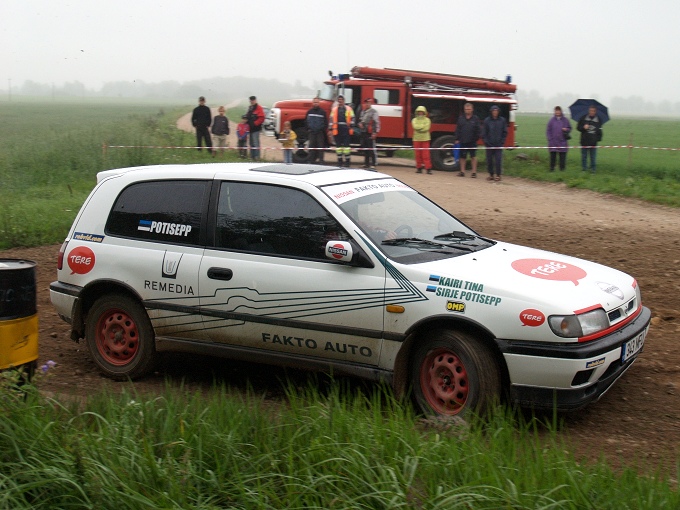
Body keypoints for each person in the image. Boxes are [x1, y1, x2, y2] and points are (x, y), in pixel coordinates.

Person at [455, 102, 482, 177]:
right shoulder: (461, 118)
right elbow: (458, 129)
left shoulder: (475, 118)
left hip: (472, 141)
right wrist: (457, 138)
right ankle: (462, 171)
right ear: (464, 110)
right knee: (462, 157)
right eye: (466, 109)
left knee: (473, 156)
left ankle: (474, 172)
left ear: (472, 109)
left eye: (469, 109)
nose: (467, 110)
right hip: (463, 140)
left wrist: (476, 138)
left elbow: (478, 129)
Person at [482, 105, 508, 181]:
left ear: (498, 112)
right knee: (489, 160)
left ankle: (498, 175)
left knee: (498, 160)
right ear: (491, 112)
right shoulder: (487, 121)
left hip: (498, 144)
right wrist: (486, 142)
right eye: (493, 111)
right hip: (489, 145)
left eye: (496, 111)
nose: (495, 112)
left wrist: (502, 141)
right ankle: (491, 175)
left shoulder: (502, 120)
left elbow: (505, 132)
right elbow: (484, 132)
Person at [328, 95, 354, 167]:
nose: (340, 101)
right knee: (338, 147)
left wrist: (351, 126)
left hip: (346, 129)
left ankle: (347, 162)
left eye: (341, 100)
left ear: (344, 101)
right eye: (339, 100)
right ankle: (339, 162)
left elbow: (352, 118)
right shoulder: (334, 109)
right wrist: (330, 129)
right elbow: (331, 120)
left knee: (346, 147)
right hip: (337, 129)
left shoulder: (349, 109)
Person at [577, 105, 603, 173]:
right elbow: (578, 127)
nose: (592, 112)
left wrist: (597, 139)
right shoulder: (583, 118)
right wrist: (583, 127)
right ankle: (584, 169)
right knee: (584, 156)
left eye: (593, 111)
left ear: (595, 111)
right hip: (584, 141)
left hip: (593, 142)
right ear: (589, 111)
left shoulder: (598, 119)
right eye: (590, 110)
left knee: (593, 157)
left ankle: (593, 170)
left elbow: (600, 131)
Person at [546, 106, 571, 171]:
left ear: (561, 111)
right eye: (556, 111)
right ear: (554, 112)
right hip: (553, 142)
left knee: (562, 156)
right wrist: (550, 139)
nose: (557, 112)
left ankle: (562, 170)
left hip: (562, 141)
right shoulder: (551, 120)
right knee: (553, 156)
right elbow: (548, 130)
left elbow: (569, 128)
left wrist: (566, 129)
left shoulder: (565, 120)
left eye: (558, 111)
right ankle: (552, 169)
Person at [358, 97, 380, 170]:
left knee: (371, 148)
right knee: (365, 148)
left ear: (370, 103)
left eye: (368, 103)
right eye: (366, 103)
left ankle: (373, 163)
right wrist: (360, 124)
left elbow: (376, 122)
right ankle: (366, 163)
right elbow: (360, 120)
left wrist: (375, 132)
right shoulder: (363, 111)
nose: (367, 104)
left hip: (370, 132)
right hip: (364, 131)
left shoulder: (374, 112)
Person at [305, 97, 328, 164]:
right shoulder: (309, 112)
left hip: (320, 133)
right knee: (311, 147)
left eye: (317, 102)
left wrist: (322, 130)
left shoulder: (322, 112)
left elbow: (325, 122)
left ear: (319, 103)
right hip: (311, 132)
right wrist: (308, 129)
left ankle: (321, 160)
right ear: (312, 103)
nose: (316, 103)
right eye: (314, 102)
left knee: (320, 147)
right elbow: (306, 121)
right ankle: (310, 160)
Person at [411, 105, 432, 174]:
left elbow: (426, 128)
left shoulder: (427, 120)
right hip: (416, 139)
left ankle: (428, 168)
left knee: (426, 154)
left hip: (425, 139)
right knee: (418, 154)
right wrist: (422, 126)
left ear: (424, 112)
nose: (420, 113)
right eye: (419, 112)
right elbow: (415, 127)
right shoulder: (414, 120)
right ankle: (419, 168)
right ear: (417, 112)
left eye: (422, 112)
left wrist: (419, 128)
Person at [246, 95, 265, 160]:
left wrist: (255, 123)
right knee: (251, 143)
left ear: (255, 100)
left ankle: (257, 157)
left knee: (255, 143)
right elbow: (247, 116)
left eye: (253, 100)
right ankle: (252, 157)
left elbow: (262, 118)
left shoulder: (259, 108)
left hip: (256, 129)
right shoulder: (250, 108)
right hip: (250, 128)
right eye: (251, 100)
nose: (252, 101)